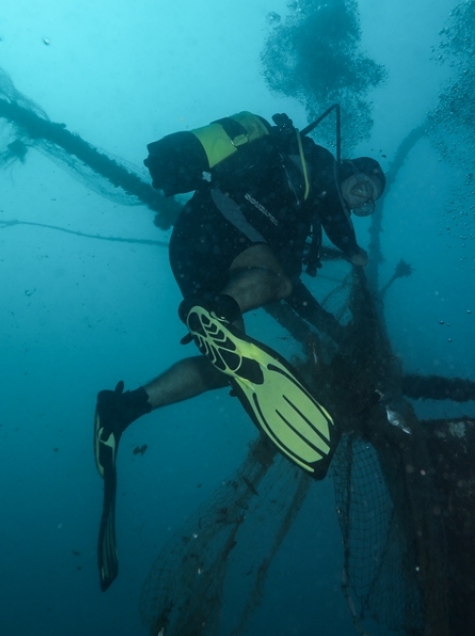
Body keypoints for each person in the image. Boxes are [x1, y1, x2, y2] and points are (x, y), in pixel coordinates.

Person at [90, 111, 386, 590]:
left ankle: (124, 409)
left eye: (370, 201)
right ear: (352, 169)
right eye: (365, 187)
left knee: (227, 364)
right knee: (276, 280)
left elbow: (301, 286)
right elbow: (328, 218)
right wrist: (352, 249)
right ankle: (216, 311)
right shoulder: (317, 166)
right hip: (221, 228)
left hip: (194, 252)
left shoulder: (304, 216)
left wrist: (332, 326)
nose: (365, 199)